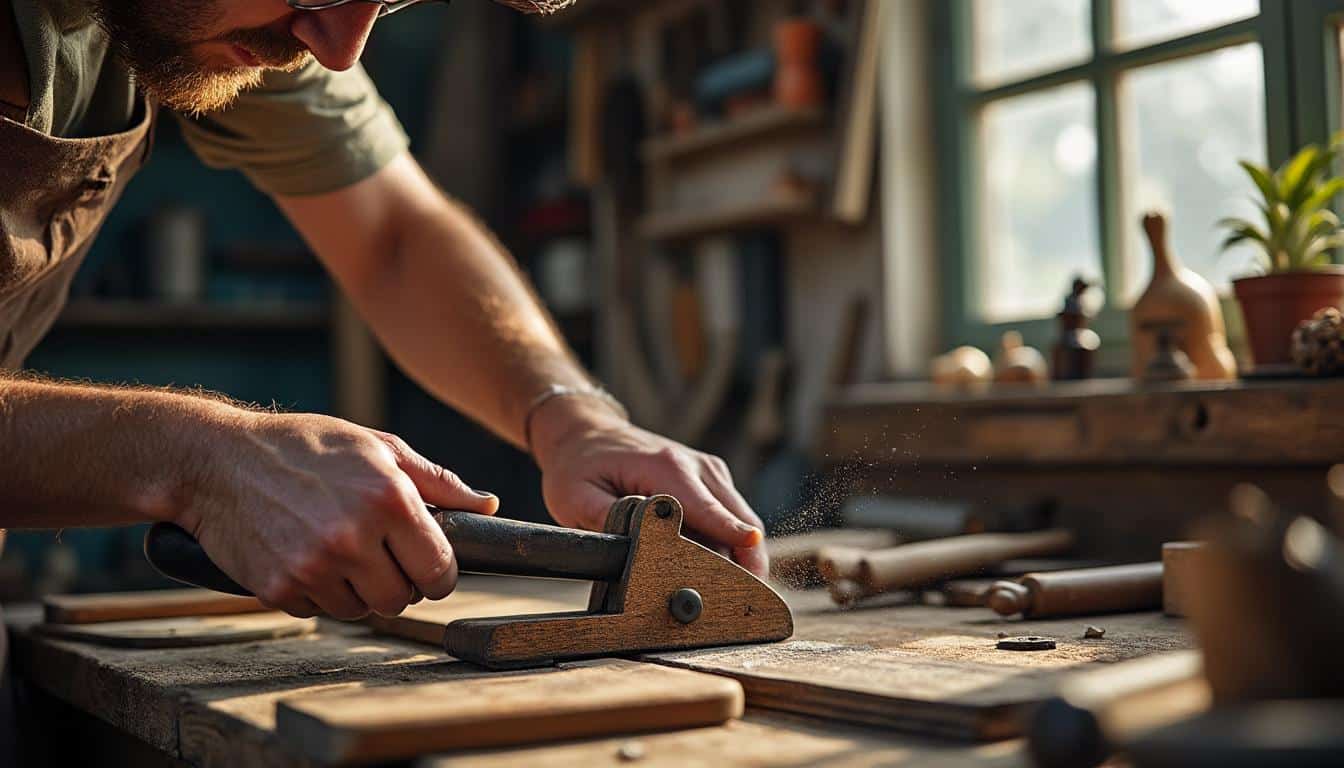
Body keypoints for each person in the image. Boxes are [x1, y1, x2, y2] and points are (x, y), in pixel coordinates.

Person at [0, 0, 768, 626]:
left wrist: (570, 416)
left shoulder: (278, 17)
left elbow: (395, 237)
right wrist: (196, 458)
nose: (340, 49)